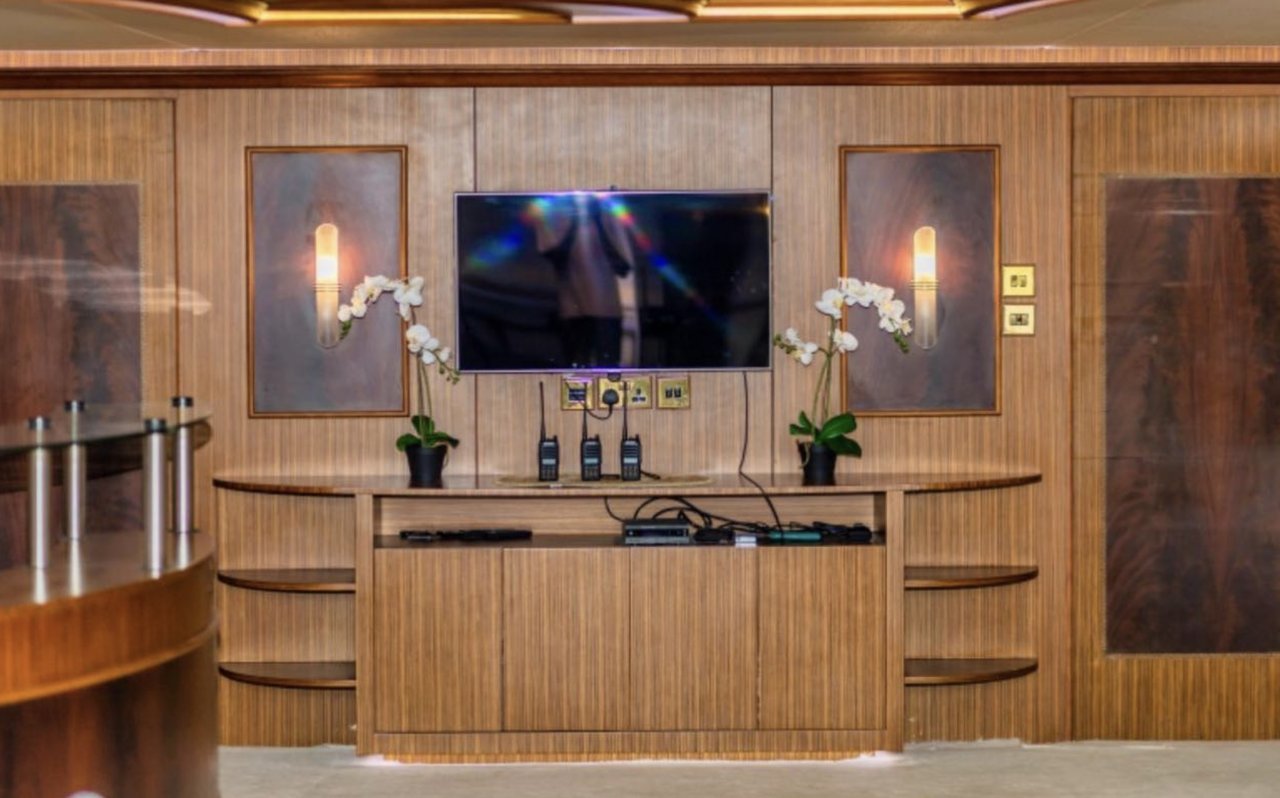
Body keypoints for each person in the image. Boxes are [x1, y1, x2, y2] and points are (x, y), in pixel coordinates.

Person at [534, 192, 638, 368]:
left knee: (607, 368)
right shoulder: (554, 207)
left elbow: (623, 264)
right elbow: (552, 252)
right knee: (576, 368)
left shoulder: (607, 209)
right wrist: (576, 220)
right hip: (572, 309)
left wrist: (597, 219)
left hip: (607, 309)